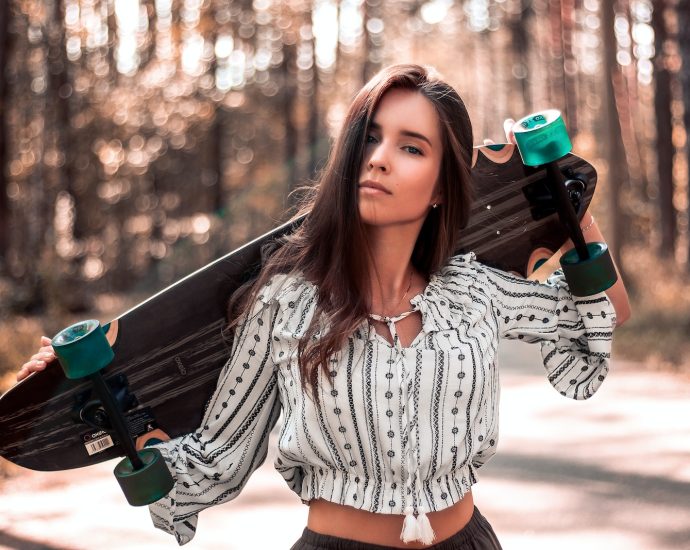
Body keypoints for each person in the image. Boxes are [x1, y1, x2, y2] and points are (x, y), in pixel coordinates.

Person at [19, 64, 631, 549]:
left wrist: (555, 188)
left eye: (412, 147)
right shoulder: (287, 303)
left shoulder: (473, 293)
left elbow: (600, 311)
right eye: (369, 137)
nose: (380, 157)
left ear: (445, 186)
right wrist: (94, 402)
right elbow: (220, 456)